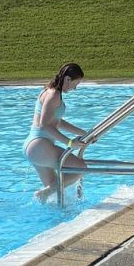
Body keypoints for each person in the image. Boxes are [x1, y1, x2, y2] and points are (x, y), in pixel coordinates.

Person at [24, 62, 91, 204]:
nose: (75, 88)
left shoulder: (50, 91)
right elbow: (45, 126)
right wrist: (69, 143)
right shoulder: (54, 94)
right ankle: (43, 193)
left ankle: (57, 217)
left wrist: (83, 132)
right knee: (80, 168)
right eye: (75, 84)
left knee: (55, 192)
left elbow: (57, 122)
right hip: (40, 146)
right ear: (67, 79)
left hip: (36, 148)